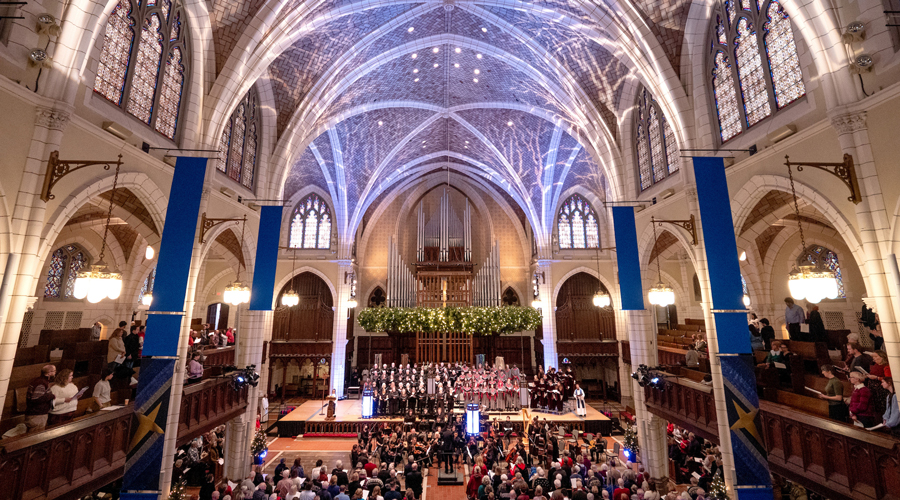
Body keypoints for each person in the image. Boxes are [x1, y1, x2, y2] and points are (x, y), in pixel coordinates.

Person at [25, 364, 58, 432]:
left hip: (38, 414)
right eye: (54, 371)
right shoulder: (41, 383)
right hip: (37, 415)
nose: (55, 373)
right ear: (49, 372)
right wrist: (51, 396)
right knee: (35, 437)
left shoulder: (41, 381)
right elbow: (36, 399)